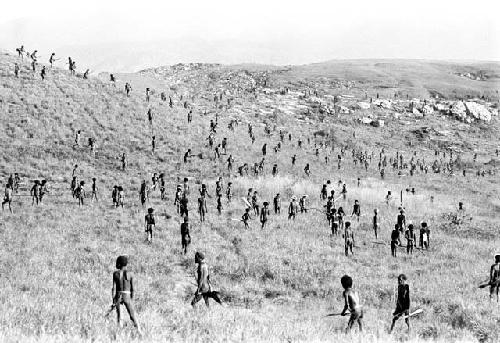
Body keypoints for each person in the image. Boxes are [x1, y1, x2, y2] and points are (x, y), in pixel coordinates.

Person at [111, 256, 140, 331]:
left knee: (120, 316)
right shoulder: (131, 274)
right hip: (127, 295)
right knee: (132, 315)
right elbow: (133, 289)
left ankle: (119, 333)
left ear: (119, 264)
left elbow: (113, 288)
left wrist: (113, 300)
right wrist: (132, 300)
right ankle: (139, 331)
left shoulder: (115, 273)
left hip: (118, 295)